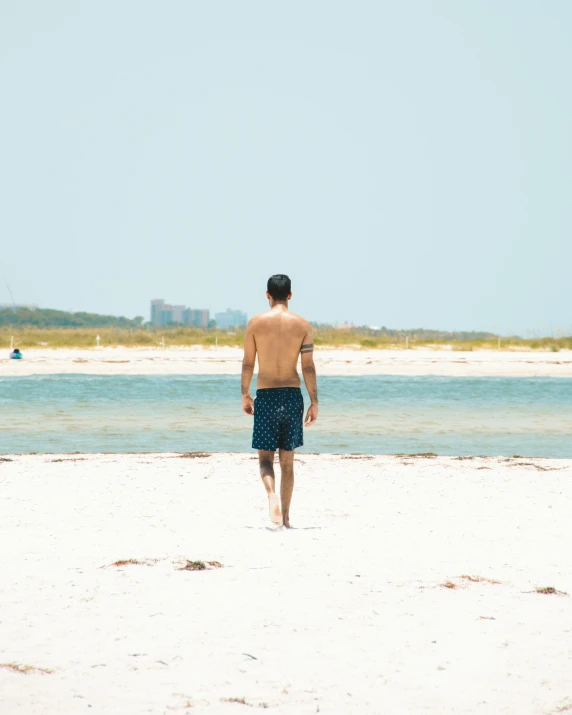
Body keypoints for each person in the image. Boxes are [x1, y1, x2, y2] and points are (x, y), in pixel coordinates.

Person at [241, 274, 318, 528]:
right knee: (288, 462)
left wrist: (245, 394)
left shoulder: (255, 323)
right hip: (291, 395)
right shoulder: (303, 325)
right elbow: (308, 367)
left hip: (266, 395)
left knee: (265, 460)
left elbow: (248, 363)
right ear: (290, 295)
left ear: (267, 295)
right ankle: (285, 519)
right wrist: (314, 401)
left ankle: (270, 494)